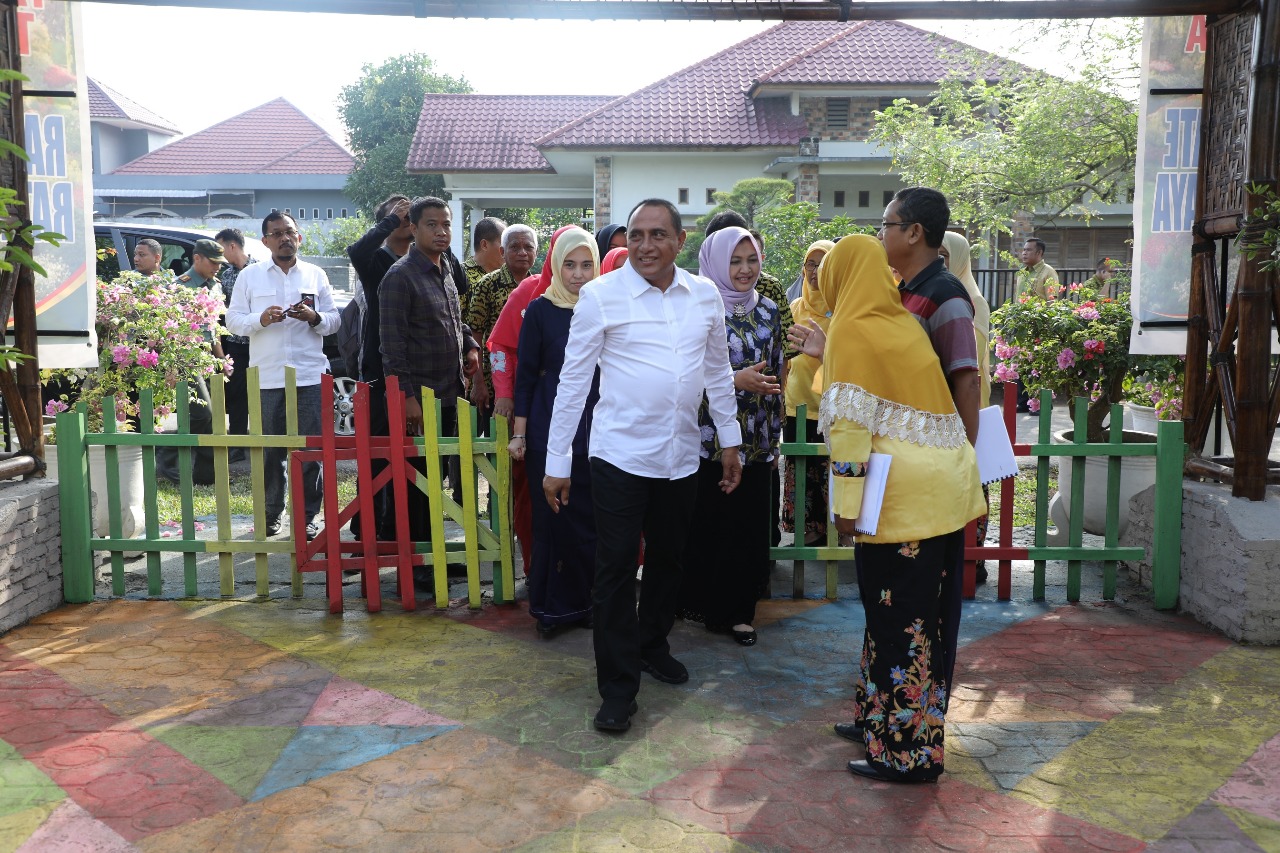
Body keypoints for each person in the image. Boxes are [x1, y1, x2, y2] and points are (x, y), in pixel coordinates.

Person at [544, 199, 742, 734]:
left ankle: (654, 644)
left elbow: (719, 373)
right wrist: (557, 460)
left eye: (658, 234)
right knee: (612, 572)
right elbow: (573, 382)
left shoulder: (704, 295)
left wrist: (731, 441)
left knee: (669, 560)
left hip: (680, 454)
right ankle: (617, 688)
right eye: (636, 234)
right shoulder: (601, 297)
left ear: (681, 241)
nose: (646, 245)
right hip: (619, 456)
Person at [816, 234, 985, 784]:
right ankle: (876, 720)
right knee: (905, 618)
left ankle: (906, 754)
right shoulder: (900, 322)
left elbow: (849, 431)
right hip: (942, 491)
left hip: (897, 500)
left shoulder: (851, 326)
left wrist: (845, 505)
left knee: (900, 623)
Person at [678, 226, 782, 646]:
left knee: (748, 530)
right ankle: (696, 603)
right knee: (707, 524)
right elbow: (681, 376)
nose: (744, 270)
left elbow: (778, 369)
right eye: (734, 261)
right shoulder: (698, 308)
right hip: (707, 438)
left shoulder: (771, 311)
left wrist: (773, 425)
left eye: (751, 260)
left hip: (756, 438)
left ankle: (738, 613)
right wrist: (734, 379)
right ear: (716, 264)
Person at [509, 227, 601, 637]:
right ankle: (553, 609)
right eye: (569, 264)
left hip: (599, 427)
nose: (578, 274)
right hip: (550, 427)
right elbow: (525, 378)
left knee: (591, 518)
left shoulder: (606, 308)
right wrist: (520, 434)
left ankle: (590, 604)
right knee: (554, 516)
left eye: (586, 265)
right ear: (556, 265)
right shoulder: (540, 311)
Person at [226, 213, 340, 540]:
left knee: (310, 452)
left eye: (289, 231)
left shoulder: (316, 275)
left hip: (309, 374)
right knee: (270, 452)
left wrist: (314, 316)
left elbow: (335, 321)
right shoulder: (250, 277)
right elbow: (232, 320)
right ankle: (271, 514)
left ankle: (306, 517)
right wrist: (259, 319)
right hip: (267, 377)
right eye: (276, 233)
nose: (284, 238)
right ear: (265, 242)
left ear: (299, 237)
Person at [378, 196, 482, 548]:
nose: (441, 231)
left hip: (450, 392)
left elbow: (454, 319)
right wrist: (407, 398)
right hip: (420, 399)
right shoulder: (400, 277)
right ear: (414, 228)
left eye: (447, 224)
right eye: (432, 224)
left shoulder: (445, 269)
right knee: (416, 480)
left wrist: (469, 345)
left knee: (434, 477)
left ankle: (433, 553)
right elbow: (391, 347)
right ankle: (418, 559)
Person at [488, 225, 575, 575]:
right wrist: (505, 395)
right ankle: (536, 567)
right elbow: (499, 349)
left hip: (580, 413)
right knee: (532, 493)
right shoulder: (529, 294)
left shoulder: (594, 295)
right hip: (534, 408)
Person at [940, 231, 993, 585]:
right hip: (945, 401)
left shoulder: (971, 299)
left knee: (973, 477)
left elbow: (967, 361)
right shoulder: (941, 294)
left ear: (958, 258)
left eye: (946, 256)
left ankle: (972, 557)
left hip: (970, 400)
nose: (940, 262)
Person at [156, 239, 228, 486]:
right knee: (202, 413)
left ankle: (206, 476)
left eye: (220, 262)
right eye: (213, 262)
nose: (218, 267)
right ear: (197, 258)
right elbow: (168, 329)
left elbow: (213, 326)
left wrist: (221, 358)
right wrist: (172, 366)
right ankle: (166, 453)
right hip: (184, 356)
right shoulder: (180, 288)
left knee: (214, 418)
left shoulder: (215, 285)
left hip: (208, 355)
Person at [782, 239, 834, 547]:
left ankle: (836, 530)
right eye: (810, 264)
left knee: (831, 469)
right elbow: (785, 357)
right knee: (802, 469)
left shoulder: (843, 307)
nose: (814, 271)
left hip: (831, 405)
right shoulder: (795, 307)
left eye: (822, 263)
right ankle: (809, 529)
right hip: (797, 405)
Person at [466, 224, 538, 422]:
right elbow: (475, 336)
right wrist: (478, 383)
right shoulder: (487, 285)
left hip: (527, 381)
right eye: (515, 247)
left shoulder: (540, 287)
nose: (522, 252)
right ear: (502, 251)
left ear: (536, 251)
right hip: (491, 385)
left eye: (528, 247)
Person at [215, 228, 257, 461]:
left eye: (221, 249)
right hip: (236, 343)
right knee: (237, 392)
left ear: (233, 246)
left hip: (262, 341)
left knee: (266, 392)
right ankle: (239, 443)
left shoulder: (261, 269)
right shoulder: (226, 275)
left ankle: (266, 440)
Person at [464, 217, 508, 293]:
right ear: (484, 245)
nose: (507, 250)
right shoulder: (460, 275)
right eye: (504, 243)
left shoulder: (510, 276)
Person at [1015, 237, 1058, 301]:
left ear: (1039, 252)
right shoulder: (1022, 273)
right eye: (1024, 250)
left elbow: (1052, 301)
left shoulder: (1049, 272)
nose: (1024, 253)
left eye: (1028, 250)